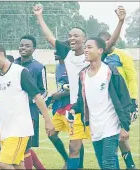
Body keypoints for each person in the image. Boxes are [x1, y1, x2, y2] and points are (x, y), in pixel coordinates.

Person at [33, 4, 126, 169]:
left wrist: (120, 21)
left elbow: (110, 41)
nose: (71, 38)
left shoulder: (92, 55)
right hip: (75, 107)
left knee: (94, 149)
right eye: (69, 36)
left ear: (84, 39)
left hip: (93, 109)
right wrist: (39, 16)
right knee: (72, 145)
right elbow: (49, 37)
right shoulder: (67, 53)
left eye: (76, 35)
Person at [0, 42, 55, 169]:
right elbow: (1, 106)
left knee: (4, 164)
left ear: (1, 54)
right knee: (18, 165)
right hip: (6, 130)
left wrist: (48, 121)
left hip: (19, 129)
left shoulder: (20, 72)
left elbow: (37, 97)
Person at [69, 37, 131, 169]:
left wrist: (124, 126)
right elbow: (81, 100)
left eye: (89, 47)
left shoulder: (110, 72)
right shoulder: (83, 75)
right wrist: (73, 110)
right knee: (105, 164)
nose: (85, 50)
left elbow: (124, 99)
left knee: (108, 163)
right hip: (95, 127)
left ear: (100, 50)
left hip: (111, 125)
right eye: (85, 47)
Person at [98, 31, 138, 169]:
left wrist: (133, 101)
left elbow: (132, 78)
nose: (104, 46)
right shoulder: (100, 56)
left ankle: (130, 165)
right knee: (109, 135)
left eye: (106, 43)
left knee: (121, 135)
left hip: (122, 101)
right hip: (106, 101)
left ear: (111, 40)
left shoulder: (123, 55)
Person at [15, 35, 48, 170]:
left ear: (34, 49)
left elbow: (44, 91)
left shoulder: (39, 67)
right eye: (21, 45)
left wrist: (31, 99)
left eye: (27, 46)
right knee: (19, 145)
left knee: (25, 146)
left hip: (30, 112)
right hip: (13, 112)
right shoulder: (13, 64)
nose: (23, 48)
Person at [46, 49, 70, 168]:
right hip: (60, 107)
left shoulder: (72, 66)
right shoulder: (58, 67)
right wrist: (54, 97)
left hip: (71, 107)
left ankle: (77, 165)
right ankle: (67, 160)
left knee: (75, 139)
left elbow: (79, 88)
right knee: (51, 134)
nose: (55, 52)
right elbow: (61, 87)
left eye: (58, 50)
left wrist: (62, 95)